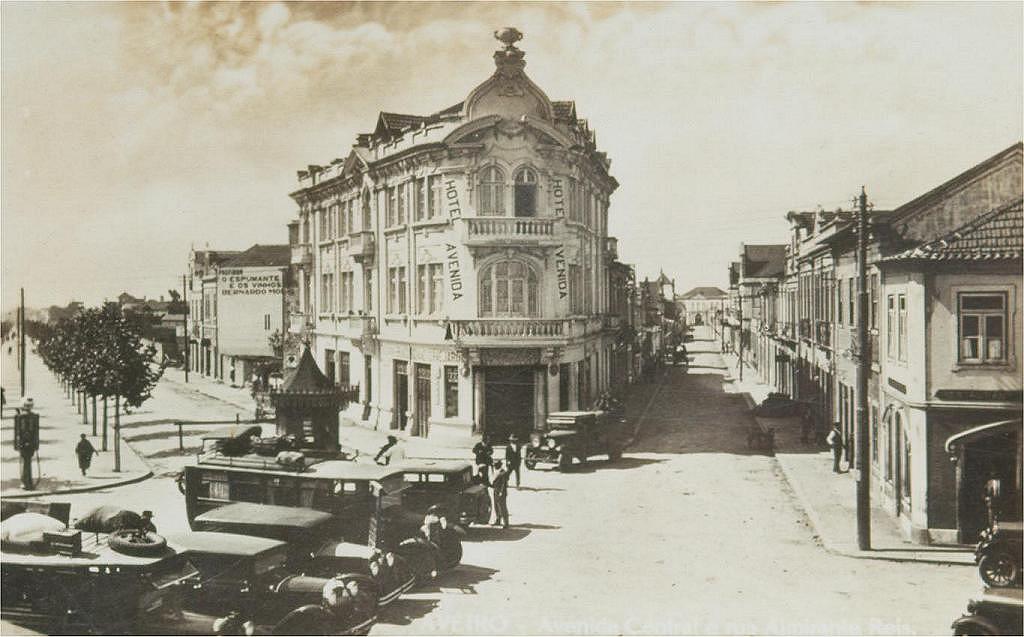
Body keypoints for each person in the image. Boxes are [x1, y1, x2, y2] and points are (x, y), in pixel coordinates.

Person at [490, 460, 510, 528]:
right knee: (496, 507)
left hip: (501, 492)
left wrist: (501, 492)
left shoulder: (503, 473)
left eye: (495, 465)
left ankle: (506, 523)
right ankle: (498, 520)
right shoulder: (496, 472)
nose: (494, 466)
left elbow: (504, 484)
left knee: (502, 507)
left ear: (499, 465)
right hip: (496, 491)